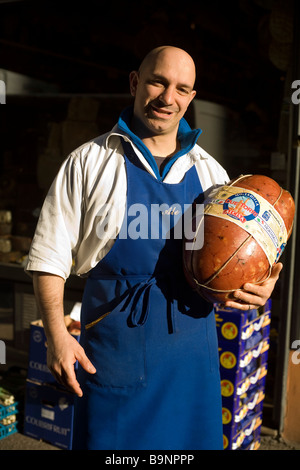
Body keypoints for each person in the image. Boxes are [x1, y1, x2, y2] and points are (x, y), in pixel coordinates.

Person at [26, 46, 282, 450]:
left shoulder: (212, 173)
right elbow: (48, 257)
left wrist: (260, 285)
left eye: (182, 89)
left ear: (191, 98)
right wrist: (58, 335)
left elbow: (248, 254)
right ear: (134, 82)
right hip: (114, 357)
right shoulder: (90, 161)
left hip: (192, 363)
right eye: (157, 82)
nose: (167, 98)